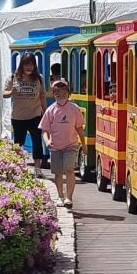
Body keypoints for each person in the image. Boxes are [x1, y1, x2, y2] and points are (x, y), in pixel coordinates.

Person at [39, 79, 84, 208]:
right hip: (55, 146)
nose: (61, 96)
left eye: (64, 94)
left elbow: (79, 127)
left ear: (68, 94)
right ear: (54, 95)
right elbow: (44, 130)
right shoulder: (50, 110)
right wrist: (47, 141)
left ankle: (69, 198)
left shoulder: (74, 109)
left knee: (69, 169)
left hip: (71, 145)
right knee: (58, 172)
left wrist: (84, 145)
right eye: (58, 94)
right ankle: (60, 196)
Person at [4, 53, 48, 177]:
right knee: (18, 143)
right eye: (26, 64)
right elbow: (4, 93)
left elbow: (42, 96)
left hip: (35, 115)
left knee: (37, 142)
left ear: (34, 65)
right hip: (18, 116)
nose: (29, 67)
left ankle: (38, 169)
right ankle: (19, 166)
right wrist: (11, 91)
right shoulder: (13, 77)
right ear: (22, 65)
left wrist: (46, 113)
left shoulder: (39, 78)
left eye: (31, 65)